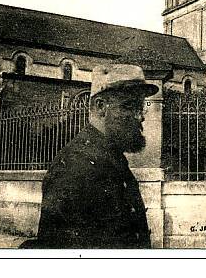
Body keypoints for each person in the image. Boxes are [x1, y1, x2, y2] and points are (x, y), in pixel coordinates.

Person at [21, 63, 158, 249]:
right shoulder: (74, 165)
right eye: (129, 106)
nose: (140, 116)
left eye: (140, 107)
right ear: (101, 107)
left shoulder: (113, 157)